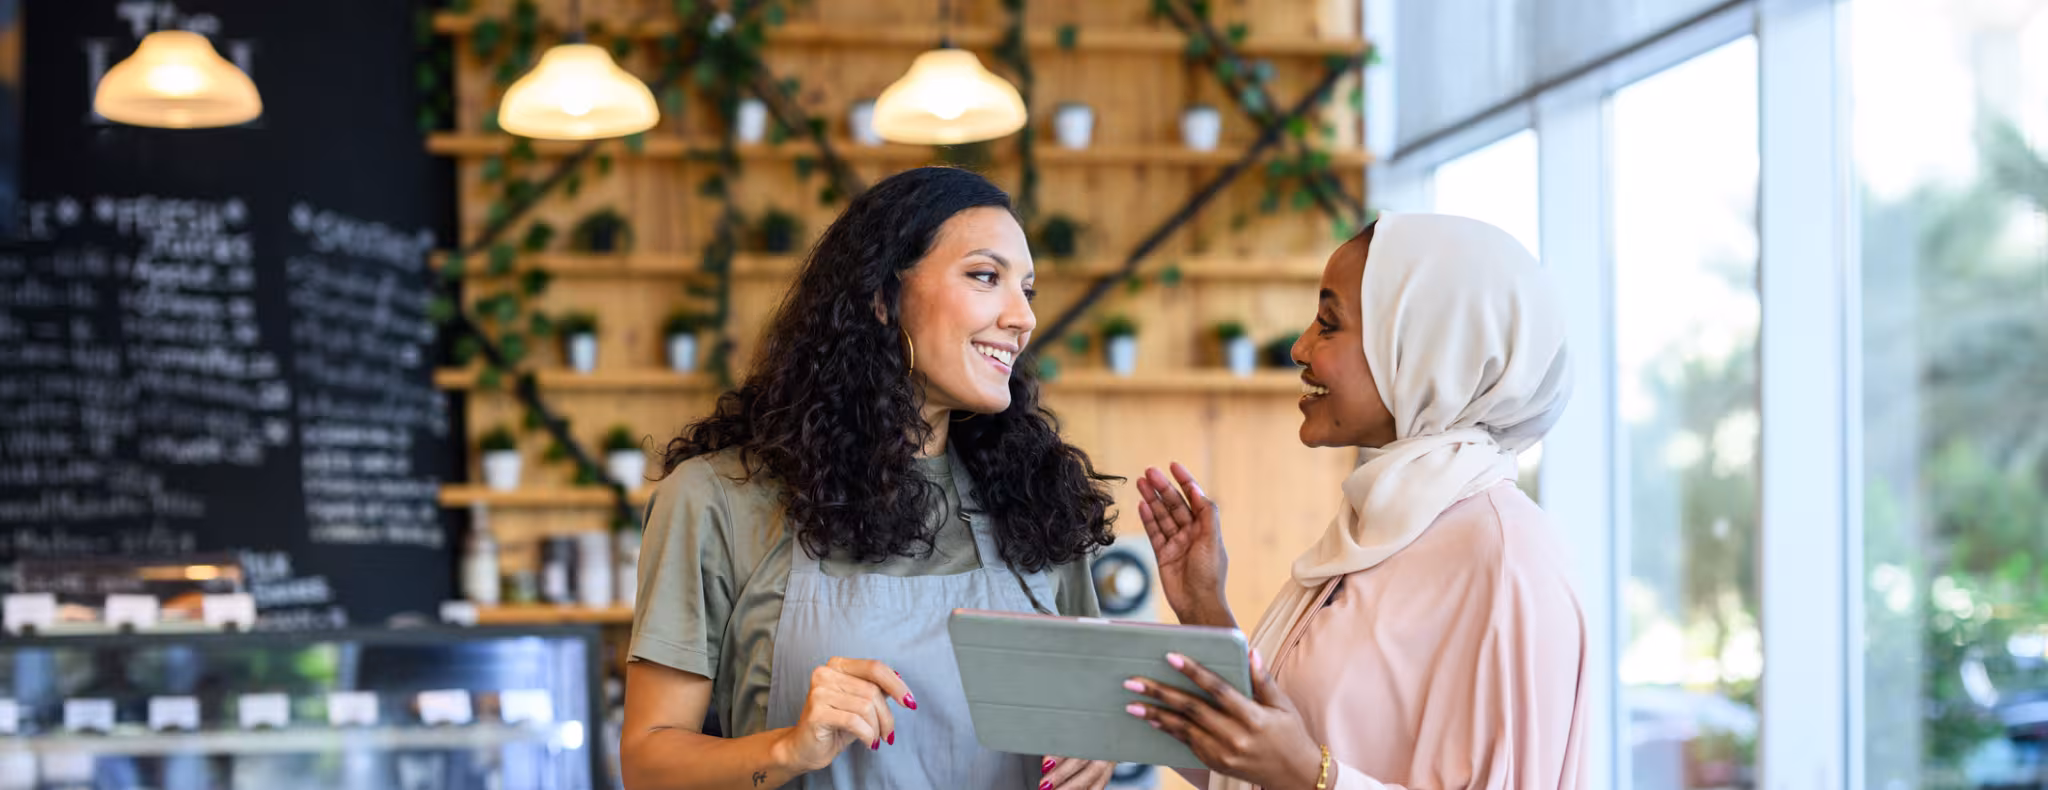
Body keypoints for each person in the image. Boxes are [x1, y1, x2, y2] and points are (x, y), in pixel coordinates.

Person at [620, 166, 1119, 790]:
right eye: (985, 276)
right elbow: (648, 764)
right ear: (882, 298)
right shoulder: (718, 499)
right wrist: (788, 749)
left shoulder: (1037, 500)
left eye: (1029, 290)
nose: (1022, 317)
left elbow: (1093, 713)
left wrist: (1096, 742)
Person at [1124, 213, 1587, 790]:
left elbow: (1295, 766)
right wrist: (1202, 608)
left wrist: (1307, 775)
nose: (1300, 348)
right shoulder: (1383, 525)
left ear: (1424, 346)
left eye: (1328, 324)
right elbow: (1253, 763)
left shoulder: (1507, 554)